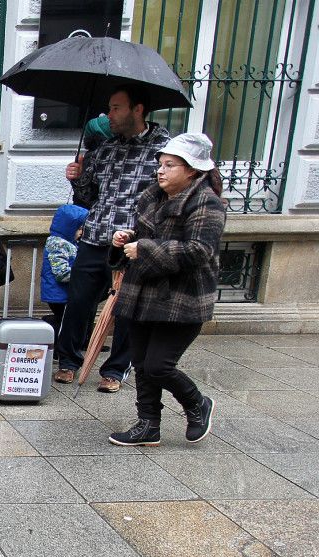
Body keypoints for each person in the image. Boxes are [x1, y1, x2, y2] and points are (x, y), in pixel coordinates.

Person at [108, 133, 224, 446]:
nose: (161, 170)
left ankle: (197, 402)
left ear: (192, 171)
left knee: (159, 365)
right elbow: (149, 235)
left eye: (170, 165)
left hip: (182, 299)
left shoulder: (206, 203)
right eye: (160, 164)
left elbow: (199, 250)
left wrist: (143, 248)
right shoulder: (153, 197)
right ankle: (148, 425)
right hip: (142, 294)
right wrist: (125, 239)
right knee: (142, 364)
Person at [54, 86, 171, 393]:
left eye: (117, 108)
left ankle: (116, 369)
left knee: (125, 308)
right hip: (95, 236)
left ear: (138, 109)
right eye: (109, 107)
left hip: (132, 243)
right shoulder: (105, 149)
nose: (109, 115)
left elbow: (170, 199)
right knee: (78, 302)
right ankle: (68, 361)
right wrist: (76, 178)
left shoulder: (165, 151)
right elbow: (87, 197)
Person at [41, 204, 89, 345]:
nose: (81, 232)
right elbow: (61, 273)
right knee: (65, 323)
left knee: (65, 320)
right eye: (79, 228)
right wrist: (82, 276)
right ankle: (59, 348)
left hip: (62, 293)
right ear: (69, 227)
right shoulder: (59, 244)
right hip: (60, 294)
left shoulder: (68, 242)